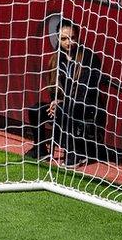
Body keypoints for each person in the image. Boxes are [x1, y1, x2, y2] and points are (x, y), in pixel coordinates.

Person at [24, 19, 104, 167]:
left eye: (72, 38)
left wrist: (63, 103)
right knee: (35, 110)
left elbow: (86, 90)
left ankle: (75, 154)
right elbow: (54, 87)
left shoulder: (88, 57)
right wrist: (55, 102)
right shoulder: (56, 59)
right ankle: (40, 149)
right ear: (58, 39)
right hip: (62, 105)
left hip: (85, 106)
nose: (69, 42)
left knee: (65, 109)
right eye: (64, 39)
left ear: (77, 37)